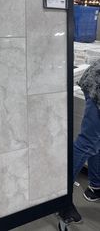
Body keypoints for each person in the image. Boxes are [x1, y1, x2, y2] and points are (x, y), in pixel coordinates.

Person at [59, 59, 100, 224]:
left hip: (95, 76)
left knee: (95, 140)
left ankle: (95, 186)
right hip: (97, 83)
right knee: (88, 142)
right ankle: (61, 200)